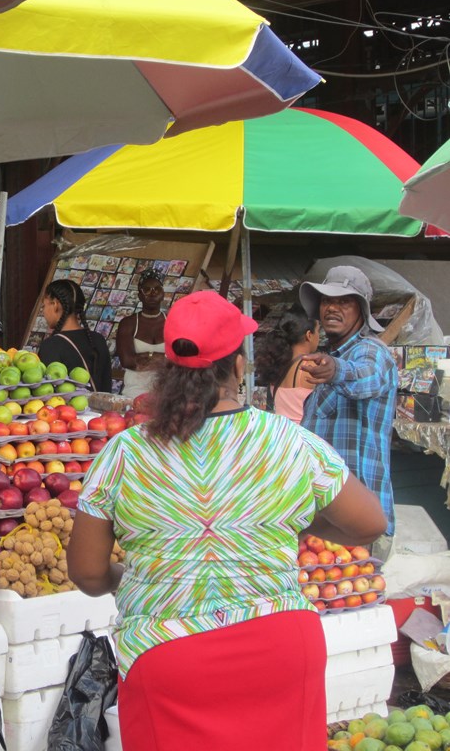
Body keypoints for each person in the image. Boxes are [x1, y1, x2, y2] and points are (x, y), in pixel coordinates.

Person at [67, 290, 385, 751]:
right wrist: (291, 519)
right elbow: (369, 523)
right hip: (279, 647)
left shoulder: (125, 453)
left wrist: (135, 577)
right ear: (239, 366)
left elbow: (88, 573)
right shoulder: (289, 441)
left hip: (168, 652)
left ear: (168, 369)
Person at [298, 265, 398, 548]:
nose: (332, 308)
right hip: (326, 523)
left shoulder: (370, 350)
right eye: (328, 301)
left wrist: (337, 370)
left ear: (362, 311)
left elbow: (367, 376)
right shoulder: (329, 355)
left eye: (344, 301)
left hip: (356, 525)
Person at [37, 278, 112, 392]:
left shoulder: (51, 345)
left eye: (44, 306)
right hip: (100, 409)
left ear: (55, 304)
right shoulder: (98, 339)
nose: (43, 311)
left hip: (70, 409)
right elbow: (107, 385)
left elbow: (47, 392)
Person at [253, 303, 321, 423]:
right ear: (309, 335)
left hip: (284, 434)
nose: (319, 337)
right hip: (305, 435)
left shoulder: (277, 363)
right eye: (318, 331)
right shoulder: (309, 367)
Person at [115, 269, 166, 401]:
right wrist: (164, 358)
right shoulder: (128, 324)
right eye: (147, 290)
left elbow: (178, 361)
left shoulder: (172, 322)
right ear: (139, 296)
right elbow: (127, 361)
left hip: (165, 394)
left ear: (163, 294)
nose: (152, 293)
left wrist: (145, 356)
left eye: (157, 289)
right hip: (133, 394)